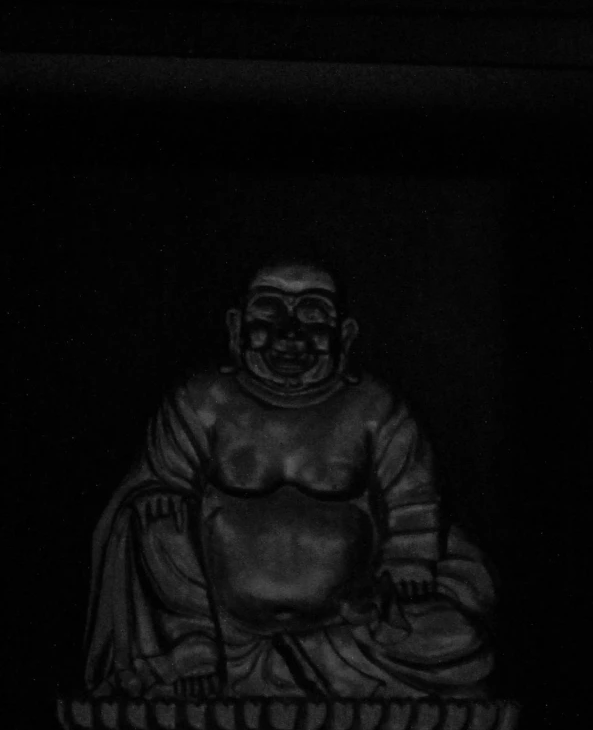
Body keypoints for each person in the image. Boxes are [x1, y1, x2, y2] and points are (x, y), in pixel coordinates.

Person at [86, 259, 495, 699]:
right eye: (269, 313)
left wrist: (407, 563)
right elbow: (163, 479)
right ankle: (194, 648)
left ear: (346, 334)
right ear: (236, 325)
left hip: (348, 632)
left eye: (313, 316)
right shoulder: (203, 400)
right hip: (217, 629)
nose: (290, 334)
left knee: (459, 642)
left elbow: (411, 495)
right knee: (150, 514)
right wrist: (160, 497)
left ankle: (296, 663)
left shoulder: (374, 407)